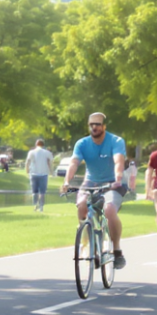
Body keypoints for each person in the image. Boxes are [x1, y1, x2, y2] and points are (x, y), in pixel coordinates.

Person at [61, 112, 127, 269]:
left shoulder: (116, 141)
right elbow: (74, 163)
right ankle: (89, 245)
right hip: (90, 182)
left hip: (112, 183)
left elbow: (118, 161)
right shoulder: (82, 143)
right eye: (91, 124)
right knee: (82, 204)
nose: (94, 127)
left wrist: (118, 178)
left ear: (104, 126)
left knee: (109, 210)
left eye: (98, 124)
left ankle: (117, 250)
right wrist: (67, 181)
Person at [24, 139, 54, 212]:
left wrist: (27, 171)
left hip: (33, 174)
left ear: (36, 144)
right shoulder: (47, 153)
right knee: (42, 192)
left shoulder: (31, 152)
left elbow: (27, 162)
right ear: (43, 145)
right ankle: (41, 206)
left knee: (34, 191)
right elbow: (50, 162)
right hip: (43, 174)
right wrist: (51, 172)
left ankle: (35, 205)